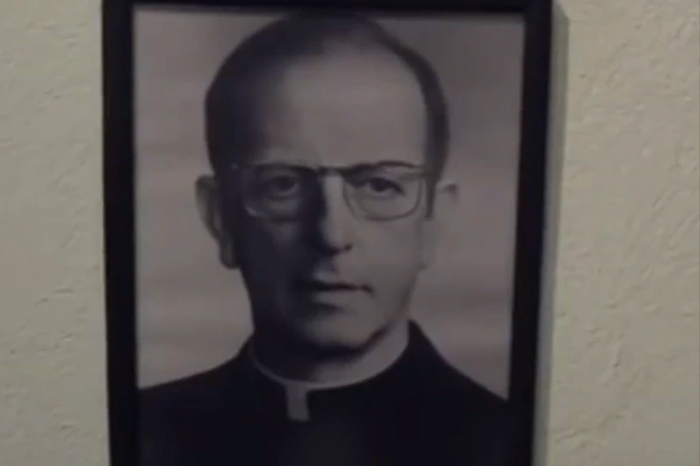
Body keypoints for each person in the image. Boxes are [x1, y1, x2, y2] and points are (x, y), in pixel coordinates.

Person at [140, 12, 513, 466]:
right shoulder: (144, 434)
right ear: (220, 217)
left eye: (379, 185)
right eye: (283, 185)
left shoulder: (505, 444)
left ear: (434, 221)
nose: (331, 235)